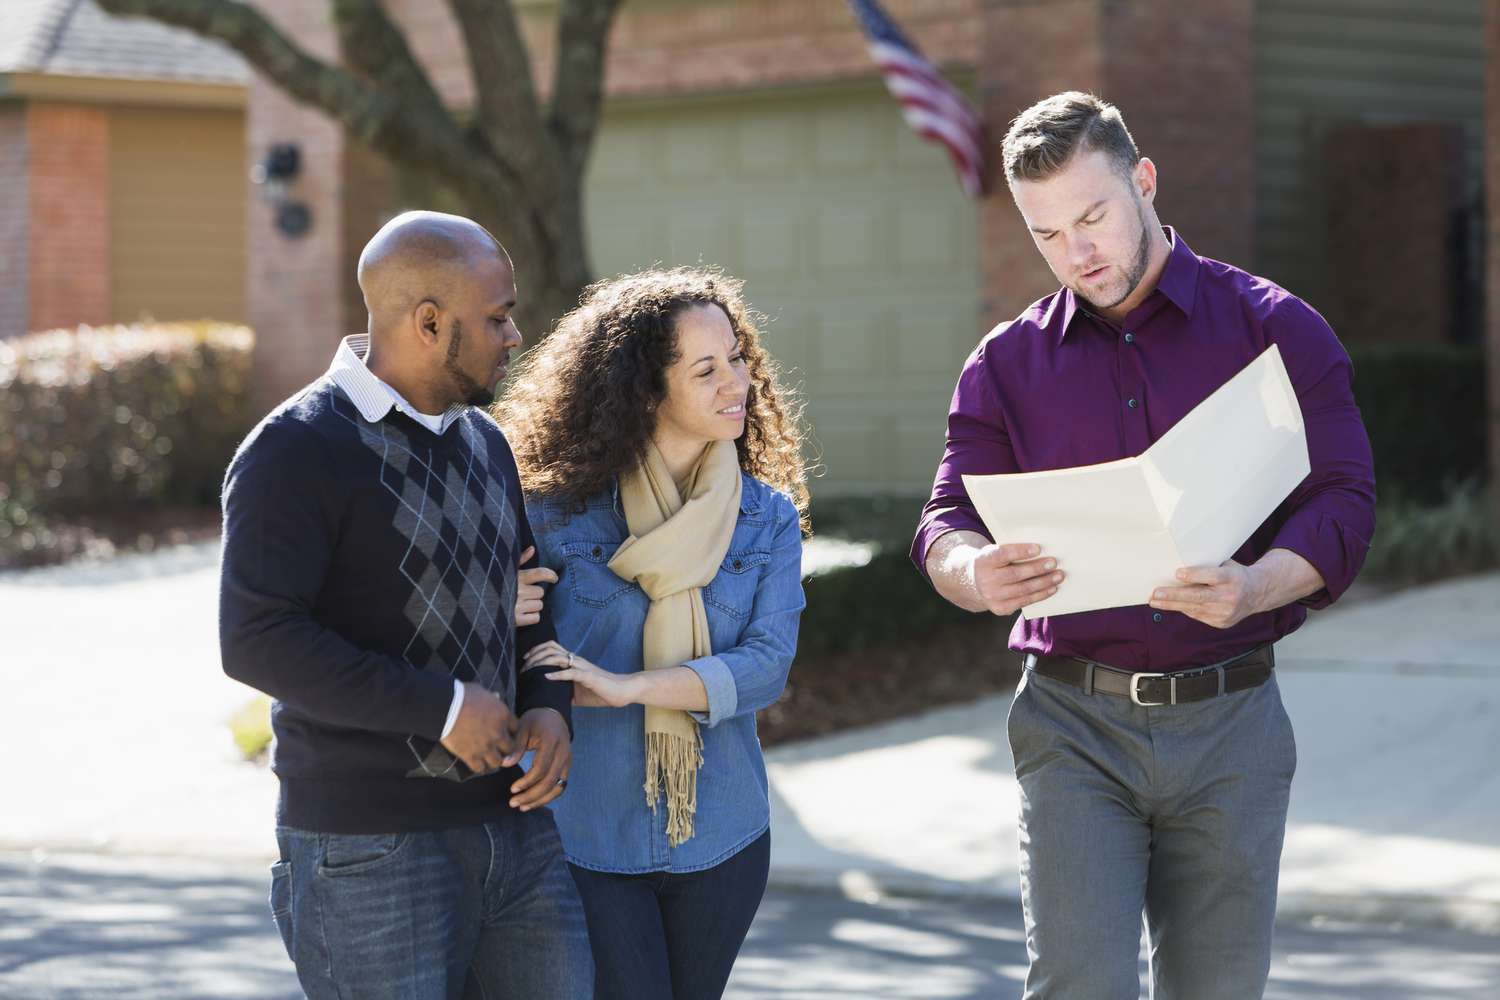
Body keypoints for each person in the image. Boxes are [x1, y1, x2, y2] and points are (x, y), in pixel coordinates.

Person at [912, 93, 1376, 999]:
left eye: (1094, 217)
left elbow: (1346, 501)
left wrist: (1256, 585)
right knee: (1077, 985)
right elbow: (944, 519)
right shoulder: (1004, 365)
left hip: (1231, 722)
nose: (1078, 253)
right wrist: (974, 570)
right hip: (1071, 724)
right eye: (1048, 235)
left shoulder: (1274, 328)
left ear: (1145, 182)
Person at [219, 211, 593, 999]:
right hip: (370, 852)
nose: (516, 335)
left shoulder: (486, 442)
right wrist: (446, 707)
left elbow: (529, 598)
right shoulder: (295, 449)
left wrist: (551, 706)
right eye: (496, 317)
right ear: (429, 322)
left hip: (517, 836)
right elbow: (257, 640)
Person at [493, 267, 808, 1000]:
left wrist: (627, 687)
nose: (738, 382)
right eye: (707, 369)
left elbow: (765, 665)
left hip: (723, 834)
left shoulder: (765, 517)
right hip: (582, 835)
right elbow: (507, 653)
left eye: (736, 358)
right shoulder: (550, 512)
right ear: (645, 390)